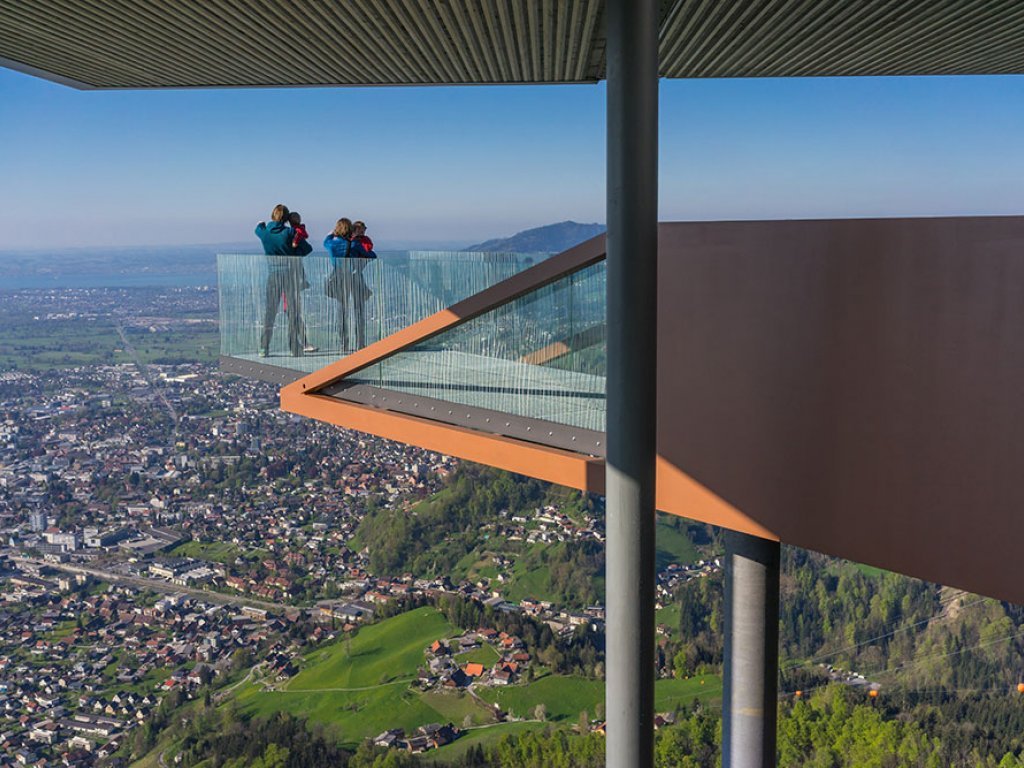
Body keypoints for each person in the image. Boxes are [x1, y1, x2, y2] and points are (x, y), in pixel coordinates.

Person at [255, 204, 306, 358]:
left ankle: (264, 347)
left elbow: (257, 227)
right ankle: (294, 347)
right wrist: (295, 225)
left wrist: (262, 224)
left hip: (273, 275)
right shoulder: (289, 232)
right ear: (286, 218)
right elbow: (306, 248)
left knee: (270, 312)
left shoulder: (264, 233)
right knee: (292, 312)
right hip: (290, 275)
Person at [323, 217, 376, 351]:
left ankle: (343, 344)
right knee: (359, 310)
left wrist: (332, 233)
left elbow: (326, 241)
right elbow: (372, 256)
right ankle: (360, 343)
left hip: (340, 278)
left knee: (342, 311)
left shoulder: (331, 244)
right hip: (355, 277)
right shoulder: (354, 245)